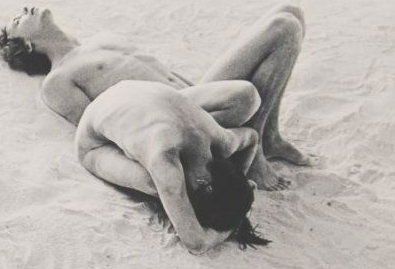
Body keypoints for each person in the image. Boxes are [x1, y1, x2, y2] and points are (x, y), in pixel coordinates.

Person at [0, 4, 311, 192]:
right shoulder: (57, 81)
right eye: (18, 20)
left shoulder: (101, 39)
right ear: (27, 45)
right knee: (281, 28)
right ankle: (255, 150)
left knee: (291, 14)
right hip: (173, 117)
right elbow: (100, 130)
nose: (25, 10)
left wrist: (213, 93)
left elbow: (167, 73)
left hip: (195, 96)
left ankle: (268, 135)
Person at [73, 79, 268, 253]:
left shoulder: (225, 141)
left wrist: (240, 183)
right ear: (203, 183)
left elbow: (252, 137)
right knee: (154, 183)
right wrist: (233, 225)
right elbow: (196, 243)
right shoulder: (166, 159)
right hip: (92, 142)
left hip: (136, 90)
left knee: (166, 183)